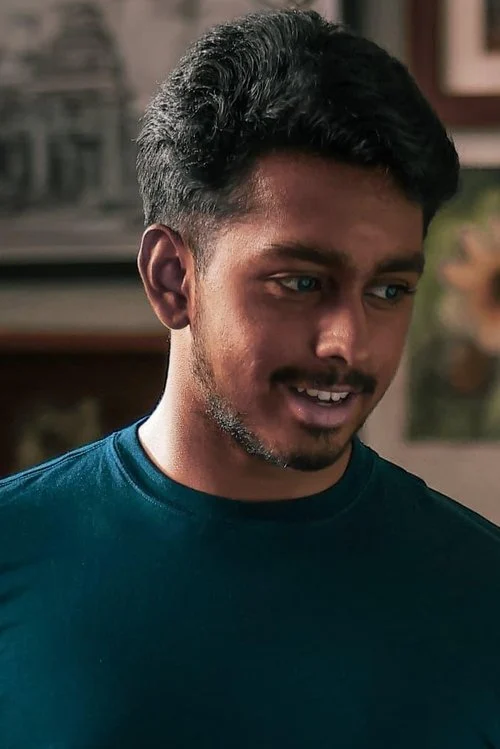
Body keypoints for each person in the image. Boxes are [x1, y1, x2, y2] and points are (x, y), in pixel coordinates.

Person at [1, 9, 498, 748]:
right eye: (299, 283)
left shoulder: (483, 592)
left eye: (389, 290)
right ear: (173, 280)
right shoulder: (13, 554)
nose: (347, 342)